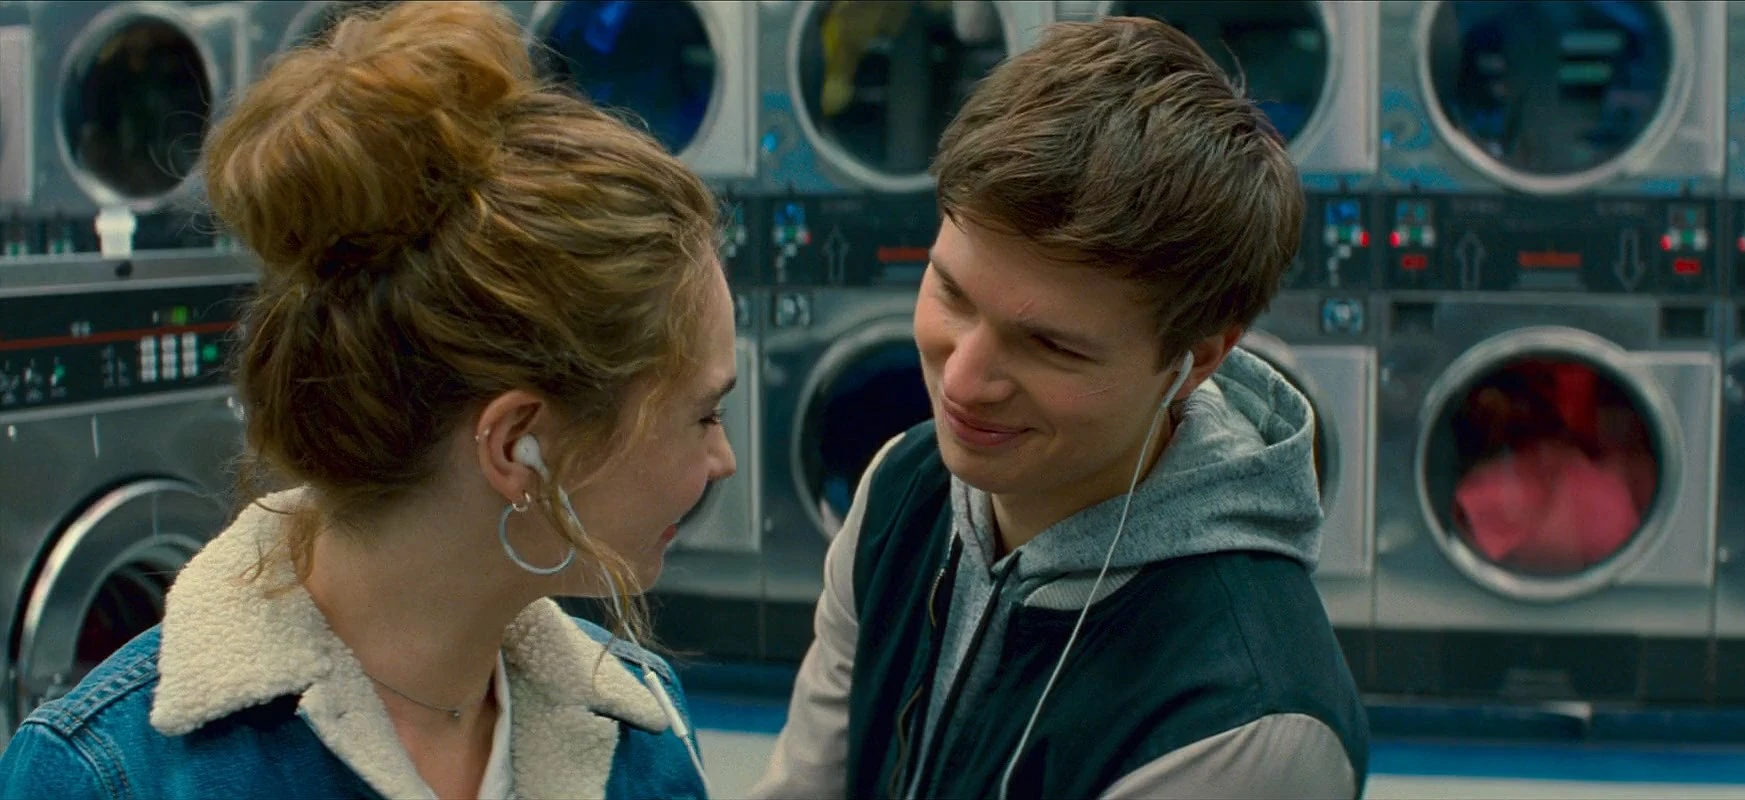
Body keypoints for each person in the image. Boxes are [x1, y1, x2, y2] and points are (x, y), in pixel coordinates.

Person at [0, 3, 733, 798]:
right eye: (704, 414)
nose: (723, 459)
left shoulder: (641, 733)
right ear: (516, 445)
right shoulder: (110, 776)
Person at [751, 16, 1368, 800]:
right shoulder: (902, 488)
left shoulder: (1247, 724)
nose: (963, 381)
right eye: (951, 293)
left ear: (1198, 359)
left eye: (1050, 345)